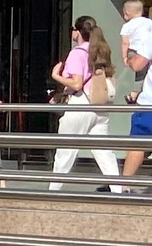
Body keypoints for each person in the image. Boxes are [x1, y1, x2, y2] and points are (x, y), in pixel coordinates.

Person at [51, 19, 122, 186]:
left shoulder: (77, 53)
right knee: (104, 152)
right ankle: (118, 189)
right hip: (100, 105)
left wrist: (56, 76)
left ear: (77, 32)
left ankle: (53, 189)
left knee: (65, 151)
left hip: (81, 104)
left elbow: (77, 83)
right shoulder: (100, 51)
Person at [116, 0, 152, 179]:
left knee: (137, 74)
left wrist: (124, 57)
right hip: (148, 56)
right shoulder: (149, 23)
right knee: (144, 76)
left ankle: (134, 93)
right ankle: (136, 91)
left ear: (126, 14)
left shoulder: (127, 26)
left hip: (136, 54)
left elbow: (125, 42)